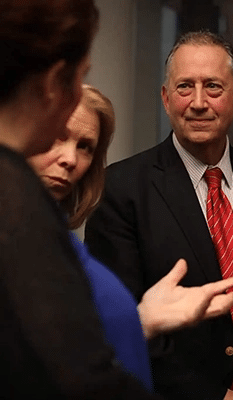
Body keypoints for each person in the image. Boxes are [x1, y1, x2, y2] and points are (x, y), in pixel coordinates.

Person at [85, 30, 233, 400]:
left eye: (213, 87)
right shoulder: (121, 189)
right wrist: (217, 397)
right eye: (183, 87)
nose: (197, 102)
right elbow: (121, 317)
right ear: (165, 99)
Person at [27, 84, 233, 390]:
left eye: (85, 147)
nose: (70, 158)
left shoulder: (58, 244)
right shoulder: (18, 241)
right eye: (58, 137)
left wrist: (143, 320)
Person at [0, 1, 163, 397]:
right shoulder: (16, 208)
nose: (70, 160)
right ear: (56, 82)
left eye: (86, 147)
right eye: (81, 77)